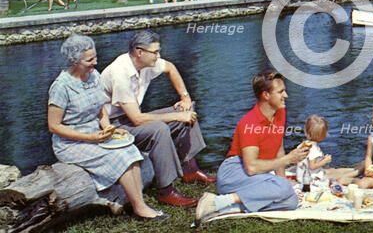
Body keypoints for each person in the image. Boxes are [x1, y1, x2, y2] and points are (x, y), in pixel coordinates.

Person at [47, 35, 167, 221]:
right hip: (70, 143)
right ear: (75, 61)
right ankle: (139, 207)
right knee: (120, 157)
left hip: (96, 134)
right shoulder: (61, 87)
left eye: (95, 57)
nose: (96, 62)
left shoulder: (93, 76)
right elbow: (54, 126)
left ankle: (136, 201)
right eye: (90, 60)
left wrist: (109, 128)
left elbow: (100, 107)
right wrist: (90, 138)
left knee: (130, 150)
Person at [102, 30, 215, 208]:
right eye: (155, 52)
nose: (158, 56)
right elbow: (137, 119)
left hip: (130, 118)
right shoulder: (120, 73)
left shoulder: (144, 63)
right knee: (159, 129)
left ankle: (190, 169)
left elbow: (170, 67)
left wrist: (184, 97)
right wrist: (177, 115)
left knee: (188, 110)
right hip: (114, 125)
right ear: (140, 52)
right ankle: (166, 190)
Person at [194, 71, 310, 225]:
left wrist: (282, 178)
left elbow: (278, 149)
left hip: (251, 174)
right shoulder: (249, 123)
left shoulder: (280, 113)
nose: (286, 95)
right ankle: (219, 201)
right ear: (266, 95)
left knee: (291, 201)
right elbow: (251, 167)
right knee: (283, 188)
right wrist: (289, 160)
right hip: (234, 172)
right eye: (281, 92)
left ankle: (224, 207)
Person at [295, 115, 359, 188]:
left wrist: (321, 161)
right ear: (323, 135)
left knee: (333, 170)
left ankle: (355, 170)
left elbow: (306, 162)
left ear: (306, 131)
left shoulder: (303, 145)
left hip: (303, 176)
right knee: (336, 175)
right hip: (312, 180)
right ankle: (357, 172)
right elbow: (312, 166)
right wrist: (325, 161)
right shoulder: (314, 150)